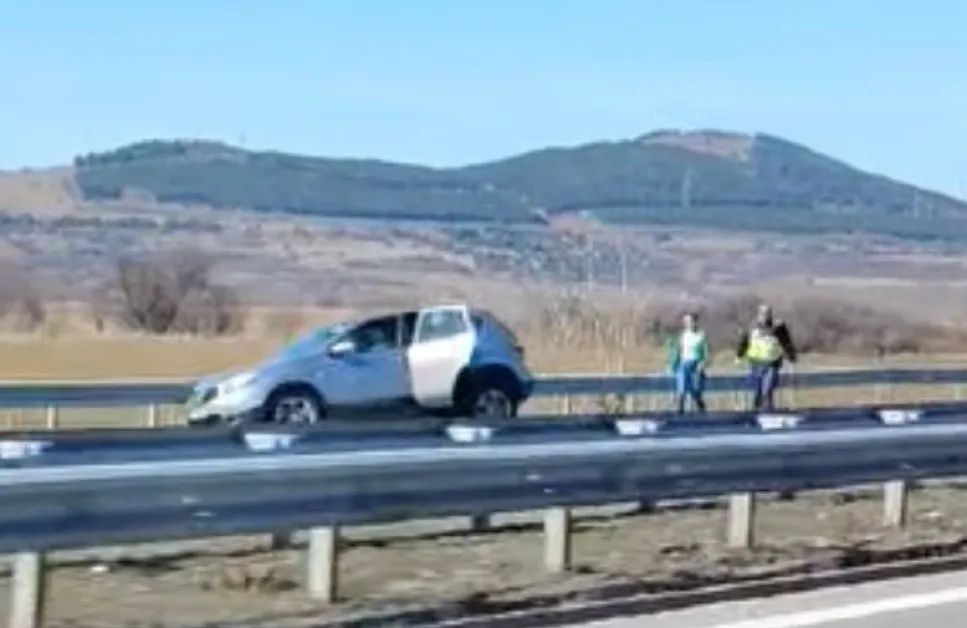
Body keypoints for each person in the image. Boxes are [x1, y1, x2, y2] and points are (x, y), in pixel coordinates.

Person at [735, 303, 797, 412]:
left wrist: (791, 355)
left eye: (767, 313)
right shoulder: (752, 327)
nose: (765, 316)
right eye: (763, 313)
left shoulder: (778, 327)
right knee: (758, 390)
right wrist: (739, 355)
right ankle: (756, 411)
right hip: (755, 363)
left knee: (767, 390)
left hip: (772, 363)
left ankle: (768, 411)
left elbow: (786, 342)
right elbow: (744, 341)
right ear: (759, 314)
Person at [665, 311, 709, 414]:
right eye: (686, 321)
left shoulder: (700, 336)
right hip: (684, 362)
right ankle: (681, 407)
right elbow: (676, 351)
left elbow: (705, 352)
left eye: (690, 321)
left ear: (695, 322)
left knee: (694, 386)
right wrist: (672, 363)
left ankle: (698, 402)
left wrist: (702, 363)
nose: (688, 324)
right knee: (682, 379)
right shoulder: (683, 336)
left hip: (695, 363)